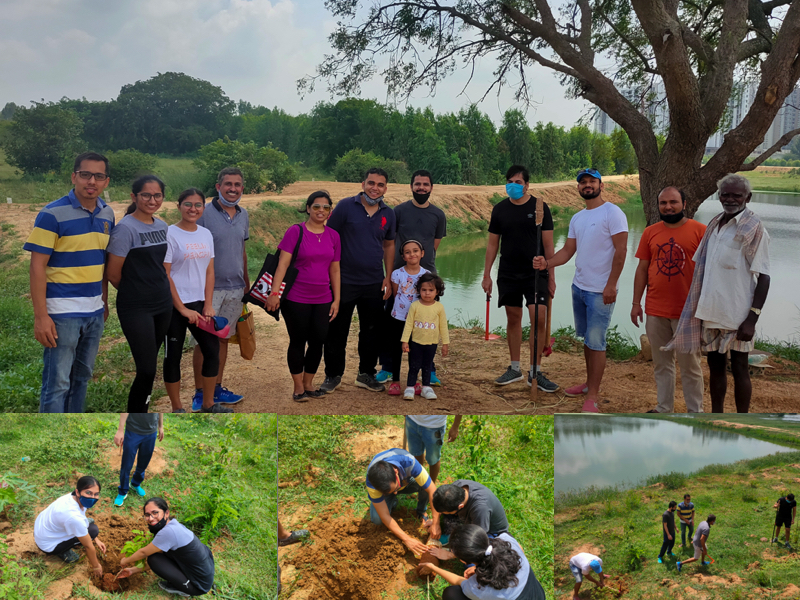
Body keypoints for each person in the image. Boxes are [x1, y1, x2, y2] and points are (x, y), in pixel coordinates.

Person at [665, 174, 770, 413]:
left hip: (738, 316)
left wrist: (752, 319)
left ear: (748, 197)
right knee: (715, 368)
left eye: (737, 195)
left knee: (741, 368)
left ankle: (743, 422)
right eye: (726, 194)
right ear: (719, 196)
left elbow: (764, 276)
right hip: (711, 312)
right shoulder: (715, 225)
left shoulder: (755, 229)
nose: (730, 199)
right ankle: (716, 418)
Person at [24, 152, 115, 412]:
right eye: (85, 174)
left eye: (99, 176)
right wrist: (41, 316)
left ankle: (72, 425)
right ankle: (50, 437)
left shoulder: (107, 214)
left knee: (82, 379)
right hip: (62, 314)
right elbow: (37, 266)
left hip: (94, 312)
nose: (92, 181)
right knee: (58, 383)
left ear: (106, 181)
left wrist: (104, 303)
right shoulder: (51, 214)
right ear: (74, 176)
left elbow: (102, 262)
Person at [533, 168, 628, 412]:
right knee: (588, 339)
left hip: (600, 291)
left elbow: (621, 251)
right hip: (580, 287)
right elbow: (567, 251)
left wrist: (611, 284)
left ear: (601, 185)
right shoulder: (577, 218)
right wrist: (547, 262)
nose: (587, 185)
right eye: (583, 182)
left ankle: (592, 396)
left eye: (592, 182)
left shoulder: (613, 213)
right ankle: (588, 384)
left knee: (597, 342)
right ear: (578, 187)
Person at [320, 168, 397, 394]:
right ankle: (332, 375)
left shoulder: (388, 214)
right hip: (343, 281)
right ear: (363, 183)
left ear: (386, 188)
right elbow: (329, 238)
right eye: (371, 183)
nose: (375, 188)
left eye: (380, 184)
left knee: (372, 331)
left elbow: (389, 245)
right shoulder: (345, 206)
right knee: (336, 330)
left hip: (374, 282)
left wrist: (388, 276)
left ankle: (366, 373)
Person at [483, 165, 558, 392]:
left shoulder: (539, 208)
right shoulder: (500, 210)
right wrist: (486, 274)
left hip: (535, 272)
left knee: (538, 316)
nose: (513, 185)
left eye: (518, 182)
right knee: (513, 317)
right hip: (508, 271)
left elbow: (548, 244)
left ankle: (535, 371)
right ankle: (515, 368)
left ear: (527, 185)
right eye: (510, 181)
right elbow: (492, 244)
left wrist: (551, 275)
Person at [631, 187, 706, 413]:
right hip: (656, 310)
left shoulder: (701, 231)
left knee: (690, 366)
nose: (668, 207)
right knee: (662, 364)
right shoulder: (650, 232)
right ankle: (664, 408)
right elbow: (642, 268)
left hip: (689, 312)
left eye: (673, 202)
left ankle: (695, 412)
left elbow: (710, 271)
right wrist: (636, 303)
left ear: (684, 203)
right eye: (663, 203)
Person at [266, 191, 341, 401]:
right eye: (316, 206)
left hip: (324, 298)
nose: (321, 211)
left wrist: (336, 299)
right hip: (296, 298)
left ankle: (309, 384)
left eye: (325, 207)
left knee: (318, 342)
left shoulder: (334, 236)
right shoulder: (295, 231)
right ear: (308, 208)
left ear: (330, 211)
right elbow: (283, 264)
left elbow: (335, 270)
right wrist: (274, 293)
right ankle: (298, 387)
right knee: (298, 341)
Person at [107, 176, 172, 413]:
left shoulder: (162, 226)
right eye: (146, 195)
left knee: (150, 366)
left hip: (163, 305)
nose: (152, 200)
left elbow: (161, 265)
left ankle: (142, 412)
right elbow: (113, 274)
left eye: (157, 195)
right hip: (136, 308)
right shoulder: (125, 228)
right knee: (146, 369)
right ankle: (136, 417)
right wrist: (138, 291)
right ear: (134, 197)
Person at [376, 169, 447, 386]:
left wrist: (420, 263)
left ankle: (429, 369)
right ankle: (388, 367)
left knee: (427, 325)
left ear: (431, 188)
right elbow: (390, 241)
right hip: (399, 275)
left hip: (427, 280)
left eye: (425, 185)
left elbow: (434, 245)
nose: (421, 188)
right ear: (411, 187)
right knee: (391, 324)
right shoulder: (398, 211)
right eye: (417, 184)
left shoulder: (438, 215)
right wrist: (390, 275)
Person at [163, 188, 231, 414]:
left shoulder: (205, 234)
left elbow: (209, 271)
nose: (193, 209)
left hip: (200, 304)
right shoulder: (169, 233)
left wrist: (208, 304)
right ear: (178, 206)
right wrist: (181, 308)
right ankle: (177, 408)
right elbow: (166, 274)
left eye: (198, 205)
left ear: (203, 208)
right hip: (174, 307)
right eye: (188, 204)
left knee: (211, 351)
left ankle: (208, 404)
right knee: (172, 356)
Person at [193, 167, 251, 409]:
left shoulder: (244, 214)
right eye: (228, 184)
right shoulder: (203, 214)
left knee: (224, 339)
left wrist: (247, 283)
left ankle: (216, 388)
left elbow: (242, 251)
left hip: (235, 289)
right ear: (218, 187)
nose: (232, 189)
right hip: (209, 290)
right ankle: (199, 394)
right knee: (204, 342)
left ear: (242, 188)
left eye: (237, 185)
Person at [118, 497, 215, 597]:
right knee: (156, 556)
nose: (151, 518)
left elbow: (144, 553)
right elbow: (162, 560)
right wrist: (132, 570)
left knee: (153, 558)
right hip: (204, 575)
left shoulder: (168, 532)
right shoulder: (173, 525)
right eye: (147, 515)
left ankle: (184, 590)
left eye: (155, 513)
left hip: (198, 586)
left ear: (166, 513)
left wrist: (125, 561)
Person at [420, 524, 546, 600]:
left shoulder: (479, 588)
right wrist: (477, 570)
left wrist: (433, 567)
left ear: (463, 560)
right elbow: (520, 548)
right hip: (538, 595)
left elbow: (459, 582)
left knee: (451, 594)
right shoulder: (506, 540)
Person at [366, 448, 441, 555]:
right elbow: (384, 516)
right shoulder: (372, 482)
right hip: (390, 488)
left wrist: (436, 522)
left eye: (395, 489)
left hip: (406, 481)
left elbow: (432, 490)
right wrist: (406, 539)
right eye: (392, 492)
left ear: (396, 472)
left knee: (425, 486)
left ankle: (421, 510)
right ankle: (390, 501)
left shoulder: (409, 462)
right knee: (377, 519)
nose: (396, 493)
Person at [34, 476, 107, 574]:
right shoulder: (74, 517)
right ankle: (62, 551)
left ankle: (81, 533)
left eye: (96, 494)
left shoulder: (72, 497)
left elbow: (79, 516)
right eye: (88, 493)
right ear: (78, 492)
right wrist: (96, 566)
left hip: (42, 530)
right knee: (93, 531)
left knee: (88, 526)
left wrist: (96, 539)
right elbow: (88, 546)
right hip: (48, 544)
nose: (92, 497)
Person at [385, 240, 429, 395]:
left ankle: (414, 381)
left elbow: (428, 297)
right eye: (408, 252)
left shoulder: (427, 275)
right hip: (399, 317)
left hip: (418, 320)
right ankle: (395, 381)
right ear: (403, 256)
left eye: (416, 251)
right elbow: (397, 293)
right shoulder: (397, 274)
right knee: (396, 350)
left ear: (422, 253)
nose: (412, 254)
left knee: (415, 350)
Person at [401, 273, 450, 400]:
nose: (427, 293)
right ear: (419, 290)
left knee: (427, 365)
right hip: (416, 342)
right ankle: (410, 387)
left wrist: (445, 343)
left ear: (437, 291)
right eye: (424, 290)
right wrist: (405, 341)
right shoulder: (415, 306)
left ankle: (426, 388)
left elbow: (443, 326)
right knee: (414, 365)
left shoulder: (439, 308)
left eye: (431, 290)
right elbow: (409, 325)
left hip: (431, 343)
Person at [430, 479, 509, 556]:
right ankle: (450, 532)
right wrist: (435, 523)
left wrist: (451, 555)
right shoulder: (454, 489)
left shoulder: (480, 509)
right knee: (446, 509)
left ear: (460, 506)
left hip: (491, 532)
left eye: (443, 512)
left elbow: (478, 537)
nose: (440, 514)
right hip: (472, 518)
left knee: (469, 559)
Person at [113, 413, 164, 506]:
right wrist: (120, 430)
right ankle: (122, 491)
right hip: (133, 431)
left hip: (151, 432)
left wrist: (161, 426)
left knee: (144, 461)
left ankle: (135, 483)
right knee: (127, 463)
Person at [405, 415, 461, 484]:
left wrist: (455, 426)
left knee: (433, 459)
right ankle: (419, 483)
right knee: (416, 454)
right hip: (412, 420)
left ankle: (431, 486)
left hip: (435, 426)